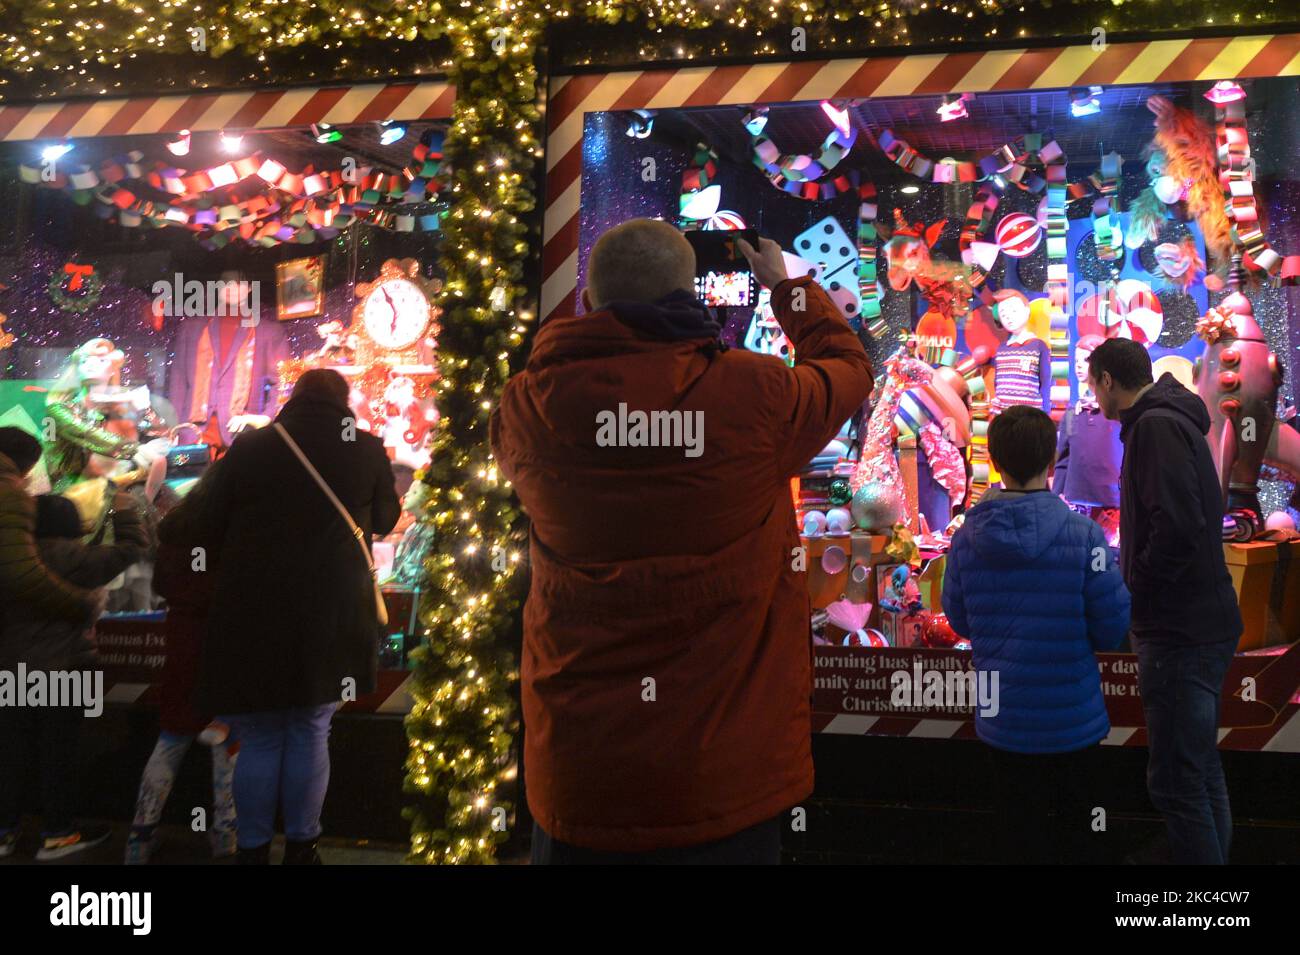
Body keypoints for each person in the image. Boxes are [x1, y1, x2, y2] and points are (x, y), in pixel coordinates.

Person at [491, 219, 874, 864]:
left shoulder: (528, 408)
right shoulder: (754, 393)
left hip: (580, 772)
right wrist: (788, 289)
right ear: (688, 293)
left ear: (589, 299)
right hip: (723, 776)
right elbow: (847, 368)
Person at [197, 369, 400, 864]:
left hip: (254, 606)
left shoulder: (252, 446)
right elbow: (387, 520)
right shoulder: (367, 447)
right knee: (311, 728)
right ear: (343, 401)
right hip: (333, 609)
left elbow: (208, 520)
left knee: (261, 733)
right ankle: (303, 846)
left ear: (293, 397)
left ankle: (252, 849)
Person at [942, 405, 1129, 863]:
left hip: (1003, 720)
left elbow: (960, 620)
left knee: (1016, 831)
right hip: (1073, 722)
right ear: (1052, 463)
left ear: (995, 461)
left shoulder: (966, 538)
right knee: (1077, 833)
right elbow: (1112, 627)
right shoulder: (1087, 536)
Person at [1088, 338, 1243, 865]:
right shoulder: (1170, 420)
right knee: (1198, 772)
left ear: (1107, 380)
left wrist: (1139, 591)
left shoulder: (1153, 427)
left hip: (1180, 629)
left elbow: (1176, 526)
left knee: (1177, 781)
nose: (1094, 397)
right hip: (1198, 621)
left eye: (1093, 384)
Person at [0, 487, 148, 860]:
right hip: (67, 670)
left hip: (12, 668)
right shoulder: (80, 558)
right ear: (72, 524)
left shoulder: (11, 561)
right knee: (59, 753)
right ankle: (57, 833)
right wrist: (124, 510)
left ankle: (4, 832)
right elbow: (132, 548)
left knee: (10, 752)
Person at [125, 460, 237, 865]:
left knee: (171, 739)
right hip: (222, 643)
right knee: (225, 741)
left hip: (181, 638)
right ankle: (225, 837)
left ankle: (138, 839)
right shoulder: (232, 531)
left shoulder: (177, 527)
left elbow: (164, 585)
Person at [1054, 334, 1123, 547]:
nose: (1079, 366)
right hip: (1075, 501)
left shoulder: (1119, 413)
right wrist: (1056, 496)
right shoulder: (1072, 413)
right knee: (1079, 556)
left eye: (1086, 360)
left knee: (1104, 559)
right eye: (1076, 361)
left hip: (1110, 502)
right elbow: (1062, 460)